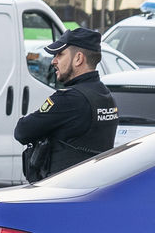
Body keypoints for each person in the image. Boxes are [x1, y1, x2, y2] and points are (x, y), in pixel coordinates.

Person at [13, 28, 118, 181]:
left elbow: (22, 131)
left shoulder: (70, 99)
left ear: (78, 59)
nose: (53, 61)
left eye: (60, 54)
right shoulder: (104, 95)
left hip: (64, 189)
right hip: (94, 186)